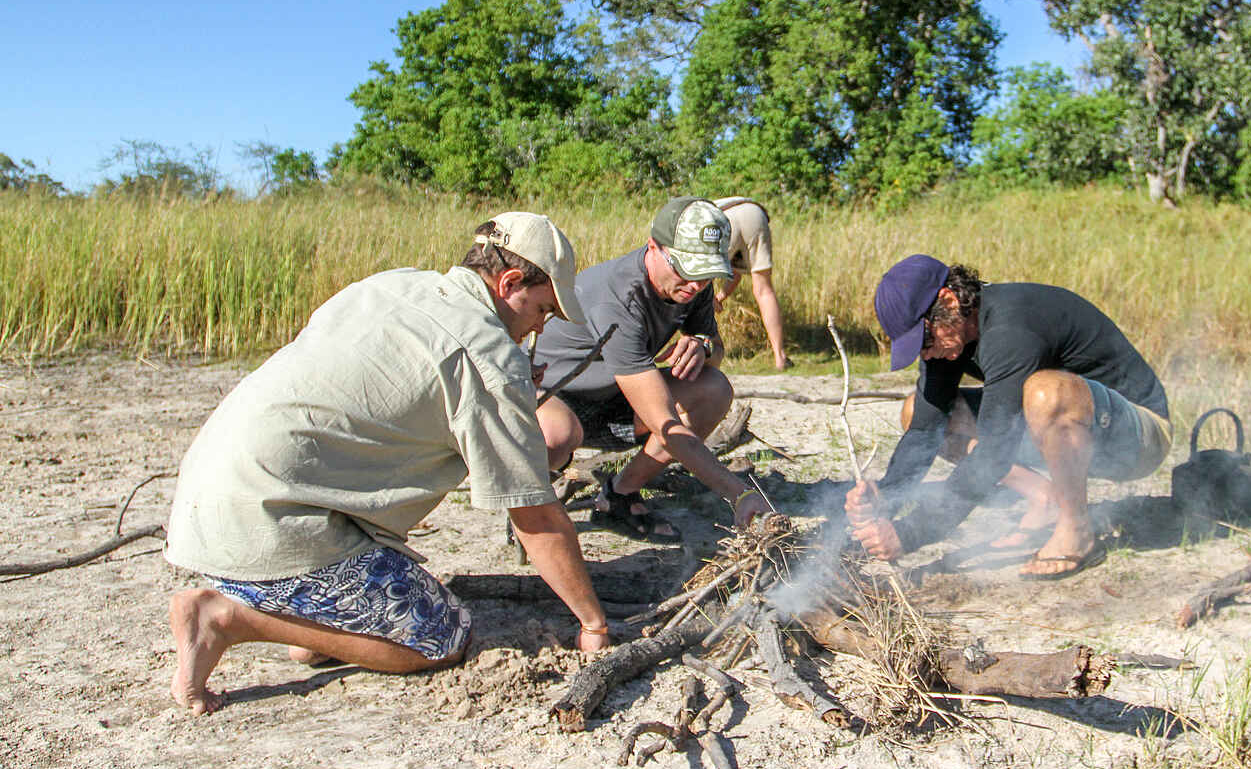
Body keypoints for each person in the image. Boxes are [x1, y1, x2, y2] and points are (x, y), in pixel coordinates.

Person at [164, 213, 611, 715]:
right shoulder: (487, 355)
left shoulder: (393, 284)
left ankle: (311, 624)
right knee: (440, 636)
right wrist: (593, 623)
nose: (541, 326)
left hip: (210, 500)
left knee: (357, 613)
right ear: (508, 283)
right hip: (267, 527)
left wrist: (507, 386)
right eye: (543, 309)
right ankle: (226, 618)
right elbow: (535, 515)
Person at [845, 255, 1171, 580]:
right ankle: (1045, 497)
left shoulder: (1010, 329)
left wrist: (911, 533)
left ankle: (1076, 529)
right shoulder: (954, 332)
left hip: (1137, 438)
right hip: (1066, 436)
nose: (925, 353)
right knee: (916, 408)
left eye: (925, 341)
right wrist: (887, 497)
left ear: (949, 300)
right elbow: (924, 429)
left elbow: (994, 453)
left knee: (1046, 392)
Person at [535, 197, 771, 542]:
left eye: (707, 272)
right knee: (557, 435)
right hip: (555, 394)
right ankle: (529, 502)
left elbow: (715, 353)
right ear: (653, 247)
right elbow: (665, 425)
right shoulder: (619, 299)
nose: (696, 284)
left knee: (714, 389)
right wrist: (740, 493)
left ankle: (619, 496)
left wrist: (703, 347)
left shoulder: (695, 286)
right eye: (686, 268)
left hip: (615, 392)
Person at [713, 197, 790, 370]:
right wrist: (719, 297)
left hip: (723, 218)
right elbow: (736, 274)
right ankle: (780, 357)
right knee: (764, 291)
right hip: (755, 214)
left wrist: (710, 298)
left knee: (699, 287)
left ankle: (703, 351)